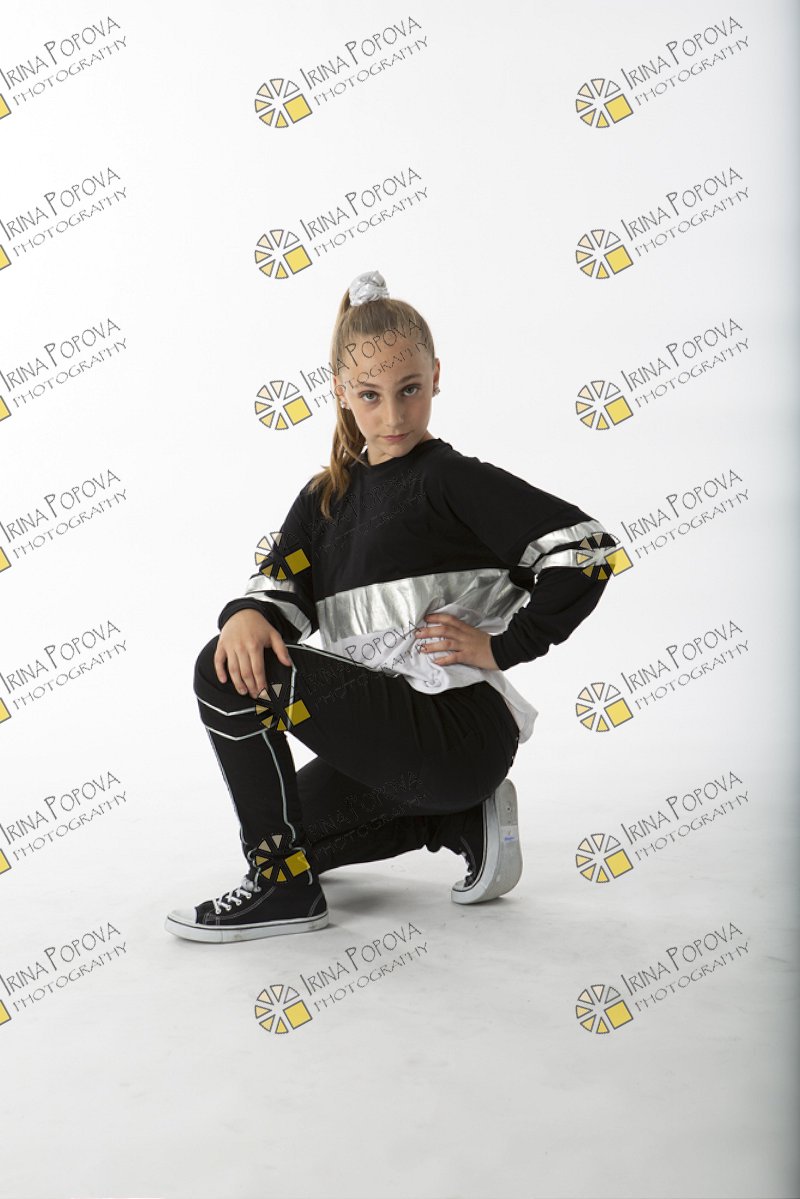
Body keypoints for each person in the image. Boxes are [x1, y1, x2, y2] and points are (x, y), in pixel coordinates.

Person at [165, 269, 621, 943]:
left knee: (220, 672)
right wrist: (243, 614)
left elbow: (587, 551)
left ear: (436, 376)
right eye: (370, 396)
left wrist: (502, 646)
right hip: (396, 749)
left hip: (459, 729)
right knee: (290, 829)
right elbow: (278, 594)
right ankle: (458, 818)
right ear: (341, 392)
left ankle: (284, 892)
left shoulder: (451, 479)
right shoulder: (325, 500)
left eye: (409, 390)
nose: (394, 416)